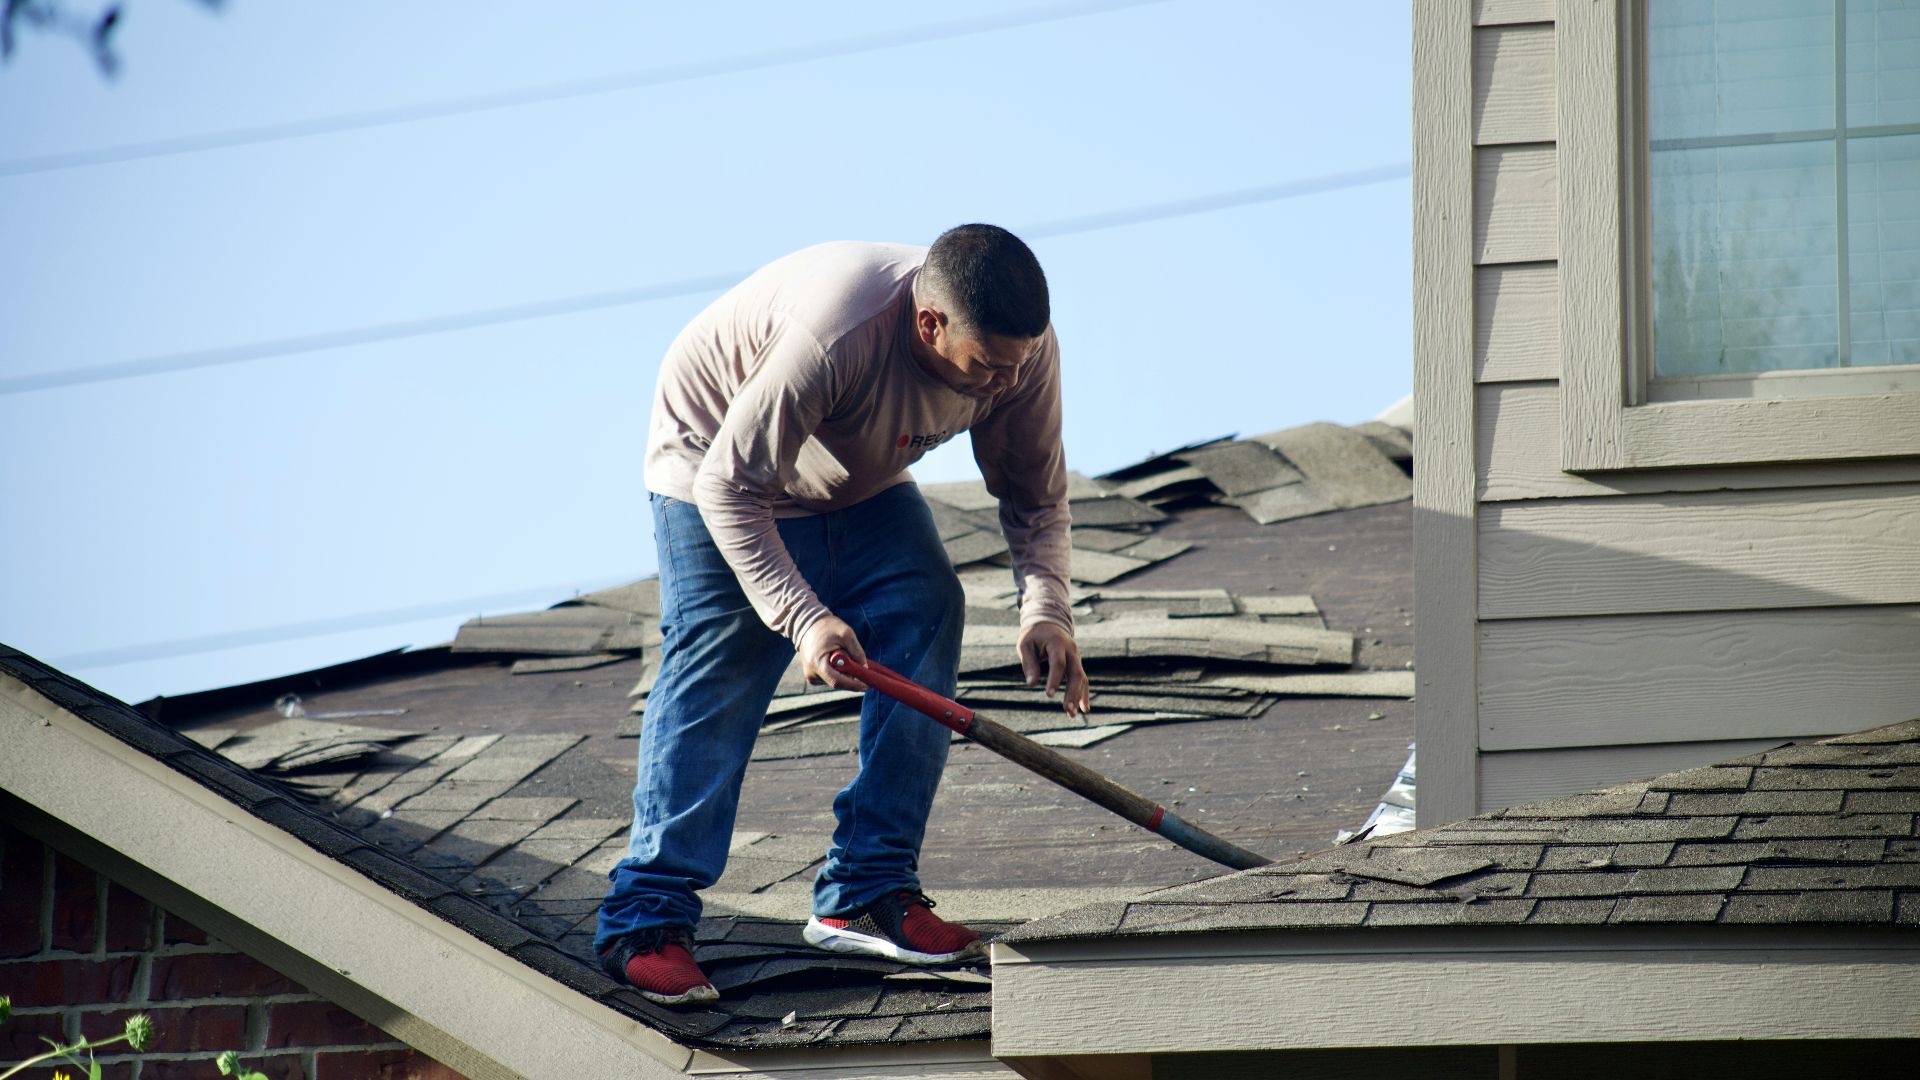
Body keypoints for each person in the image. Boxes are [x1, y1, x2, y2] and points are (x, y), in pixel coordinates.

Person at [593, 224, 1090, 1006]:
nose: (1006, 382)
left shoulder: (1019, 352)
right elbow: (730, 487)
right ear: (930, 324)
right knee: (722, 660)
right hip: (715, 465)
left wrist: (1047, 609)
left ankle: (865, 890)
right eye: (990, 366)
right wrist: (803, 617)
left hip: (852, 478)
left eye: (1018, 362)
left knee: (927, 604)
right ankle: (645, 920)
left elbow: (1035, 494)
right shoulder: (836, 333)